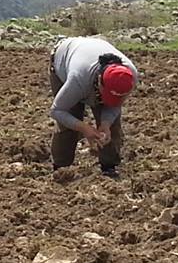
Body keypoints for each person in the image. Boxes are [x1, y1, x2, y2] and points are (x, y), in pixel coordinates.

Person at [48, 35, 138, 176]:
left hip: (90, 52)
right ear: (100, 82)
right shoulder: (78, 79)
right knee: (69, 121)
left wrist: (106, 123)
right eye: (108, 95)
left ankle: (109, 167)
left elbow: (115, 105)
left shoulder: (129, 76)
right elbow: (57, 110)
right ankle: (61, 168)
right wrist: (83, 127)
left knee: (112, 125)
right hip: (64, 59)